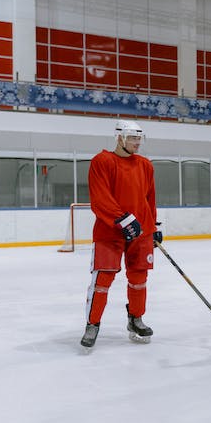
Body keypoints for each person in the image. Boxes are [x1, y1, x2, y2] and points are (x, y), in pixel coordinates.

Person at [81, 119, 161, 349]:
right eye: (133, 138)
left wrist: (153, 227)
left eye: (139, 138)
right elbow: (100, 198)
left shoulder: (145, 165)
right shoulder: (102, 161)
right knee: (103, 280)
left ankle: (136, 319)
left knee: (139, 279)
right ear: (120, 137)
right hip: (110, 231)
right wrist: (123, 219)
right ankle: (92, 324)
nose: (137, 143)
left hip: (141, 232)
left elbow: (150, 199)